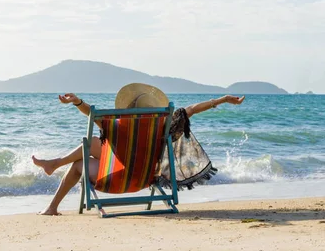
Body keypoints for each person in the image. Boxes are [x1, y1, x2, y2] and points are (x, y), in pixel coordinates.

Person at [32, 84, 245, 216]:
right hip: (146, 179)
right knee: (93, 144)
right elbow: (192, 110)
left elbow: (91, 114)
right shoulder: (164, 125)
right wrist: (223, 99)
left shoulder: (118, 125)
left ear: (128, 107)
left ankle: (52, 204)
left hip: (118, 181)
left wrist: (77, 101)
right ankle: (55, 163)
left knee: (81, 161)